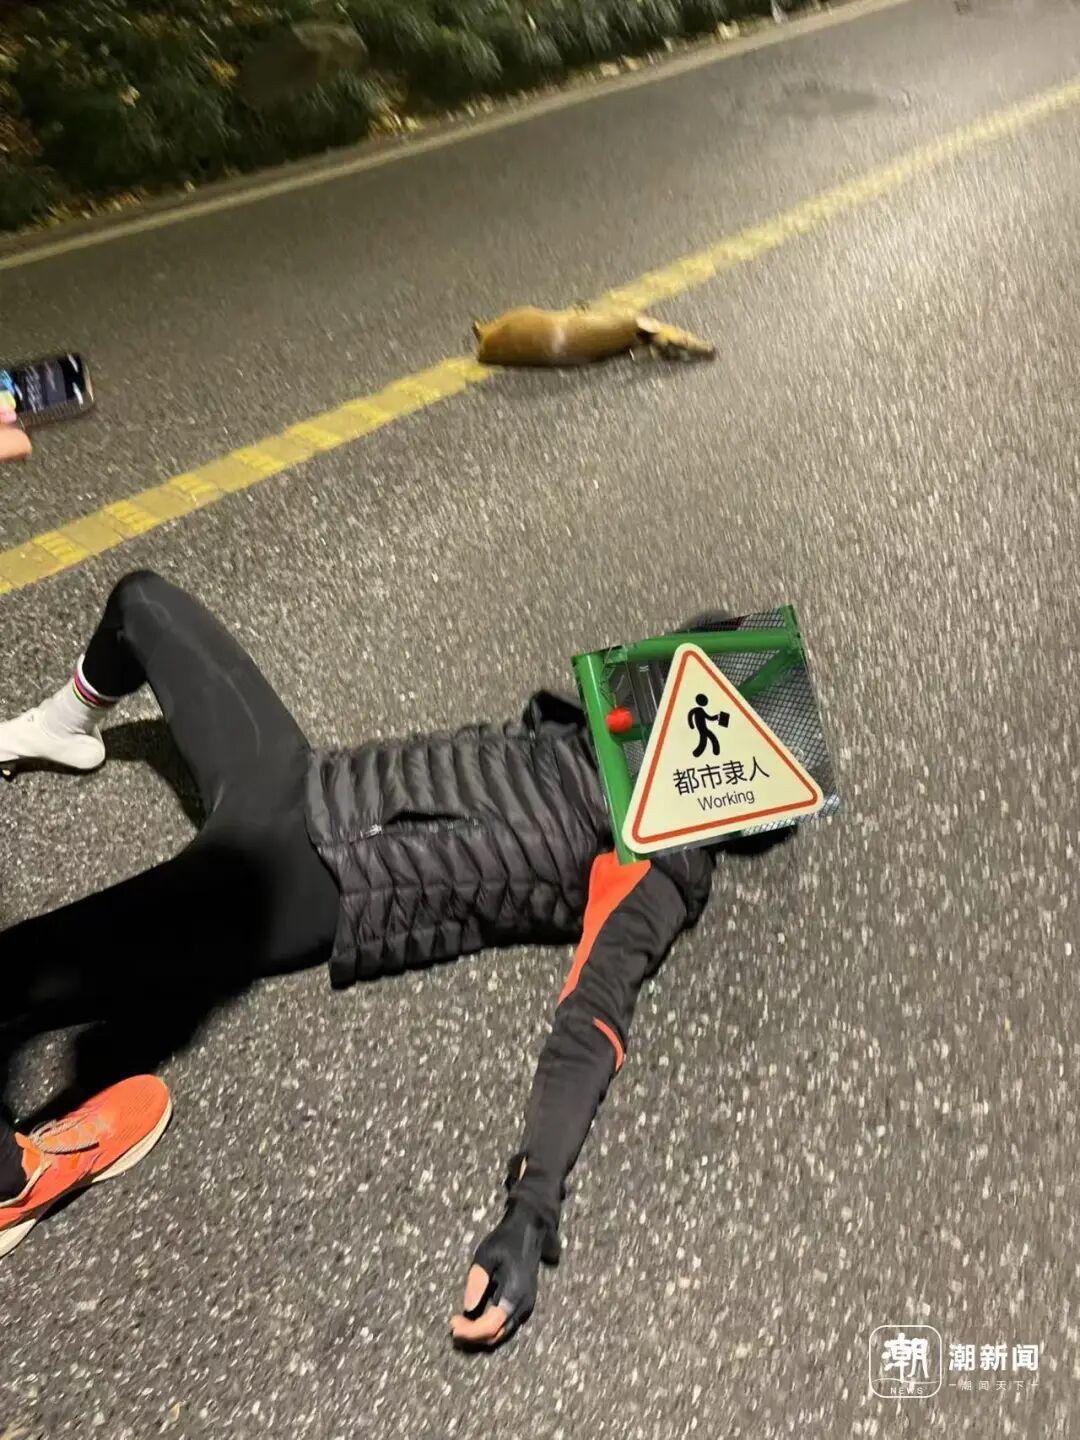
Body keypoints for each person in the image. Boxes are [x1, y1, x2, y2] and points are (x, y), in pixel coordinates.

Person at [0, 571, 791, 1344]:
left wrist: (531, 1210)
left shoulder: (653, 859)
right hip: (300, 781)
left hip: (297, 884)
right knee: (142, 601)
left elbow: (593, 1020)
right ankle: (63, 728)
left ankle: (9, 1185)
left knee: (14, 975)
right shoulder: (594, 731)